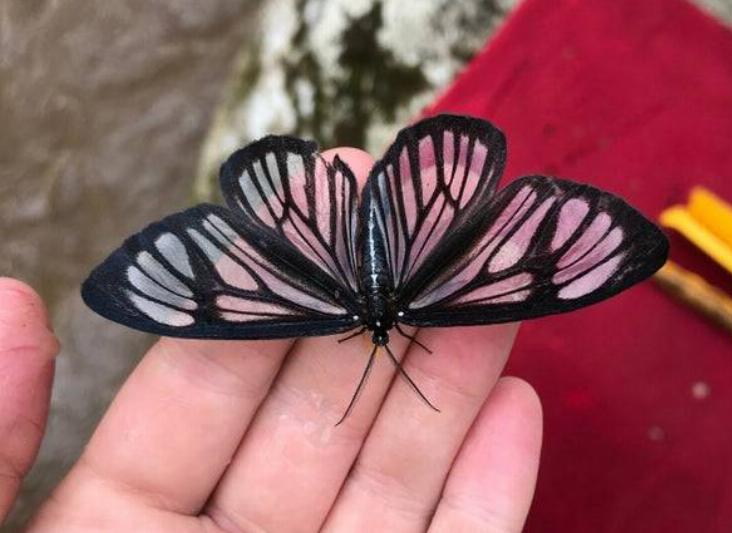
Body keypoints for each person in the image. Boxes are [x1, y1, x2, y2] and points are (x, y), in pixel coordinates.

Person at [0, 149, 542, 532]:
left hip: (329, 254)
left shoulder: (331, 312)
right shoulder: (394, 309)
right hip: (412, 239)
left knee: (230, 300)